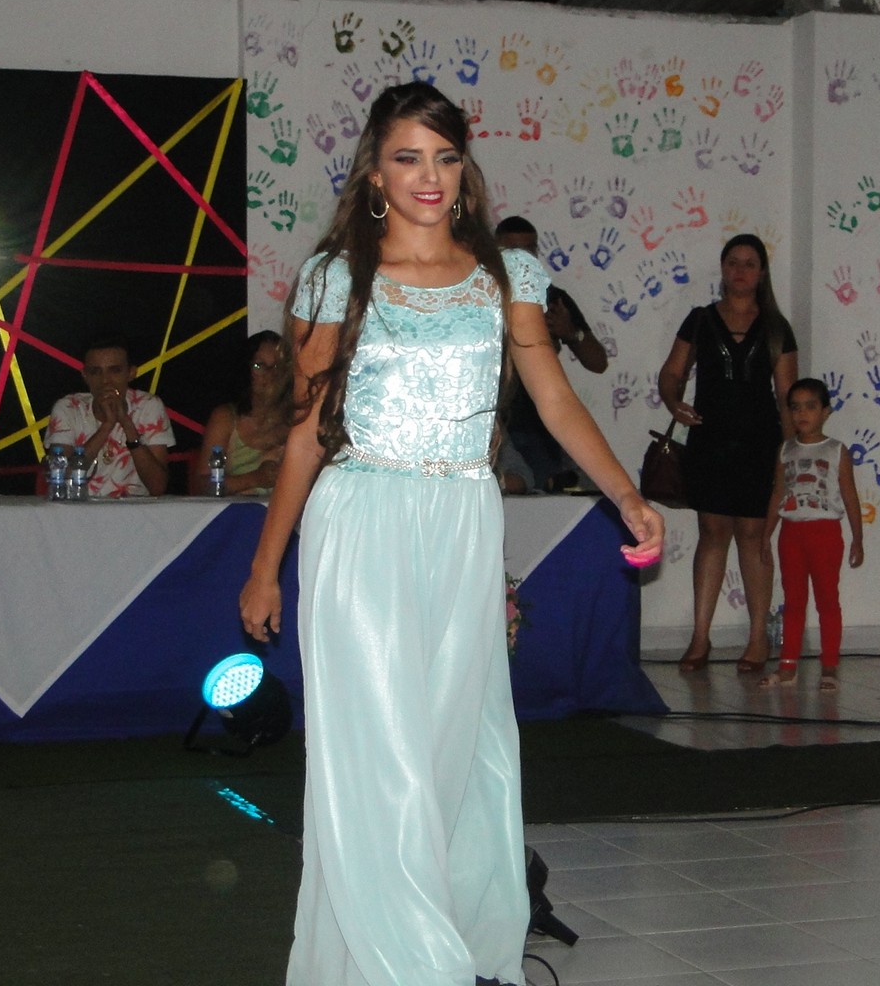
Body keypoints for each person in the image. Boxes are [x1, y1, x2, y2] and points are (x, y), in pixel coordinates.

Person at [238, 82, 662, 986]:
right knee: (380, 755)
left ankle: (447, 937)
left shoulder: (505, 277)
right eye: (408, 157)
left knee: (455, 749)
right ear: (376, 173)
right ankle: (414, 966)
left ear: (464, 168)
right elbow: (308, 432)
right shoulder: (336, 277)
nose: (429, 176)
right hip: (361, 520)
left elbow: (555, 398)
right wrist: (266, 566)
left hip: (464, 518)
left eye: (445, 157)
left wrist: (626, 495)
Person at [657, 234, 797, 675]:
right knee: (712, 532)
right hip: (711, 442)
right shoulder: (700, 319)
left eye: (749, 263)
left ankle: (757, 638)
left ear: (761, 273)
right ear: (722, 268)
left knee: (754, 537)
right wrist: (673, 403)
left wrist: (788, 456)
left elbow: (787, 397)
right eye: (733, 262)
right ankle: (700, 637)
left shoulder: (776, 327)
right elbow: (671, 373)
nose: (740, 270)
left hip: (760, 445)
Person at [758, 379, 864, 690]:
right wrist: (766, 535)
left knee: (827, 600)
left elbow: (850, 496)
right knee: (793, 601)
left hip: (825, 533)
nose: (802, 413)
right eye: (795, 407)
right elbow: (778, 493)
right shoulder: (786, 450)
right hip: (791, 534)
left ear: (825, 411)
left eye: (810, 406)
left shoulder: (836, 451)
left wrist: (857, 538)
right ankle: (787, 665)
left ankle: (829, 665)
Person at [494, 216, 608, 491]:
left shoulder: (551, 297)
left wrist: (571, 333)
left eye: (528, 250)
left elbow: (598, 362)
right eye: (512, 250)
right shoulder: (478, 294)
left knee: (544, 504)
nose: (521, 258)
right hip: (487, 422)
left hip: (538, 424)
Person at [46, 335, 174, 497]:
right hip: (80, 507)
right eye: (95, 372)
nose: (105, 380)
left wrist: (127, 424)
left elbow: (157, 487)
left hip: (135, 509)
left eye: (115, 371)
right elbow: (62, 480)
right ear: (85, 376)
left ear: (131, 373)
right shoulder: (68, 408)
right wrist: (107, 426)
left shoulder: (148, 406)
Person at [198, 331, 286, 495]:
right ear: (246, 369)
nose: (270, 374)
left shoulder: (298, 418)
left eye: (277, 366)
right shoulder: (225, 418)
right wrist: (254, 478)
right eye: (259, 366)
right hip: (235, 510)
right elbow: (202, 486)